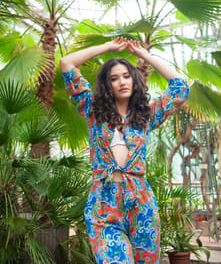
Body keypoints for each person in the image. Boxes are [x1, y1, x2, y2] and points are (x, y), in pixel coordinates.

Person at [60, 38, 190, 264]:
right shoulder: (93, 110)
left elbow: (180, 87)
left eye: (126, 76)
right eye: (114, 78)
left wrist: (145, 56)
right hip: (103, 203)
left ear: (134, 80)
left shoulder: (147, 115)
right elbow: (67, 63)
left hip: (141, 202)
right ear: (106, 85)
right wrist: (107, 47)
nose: (122, 81)